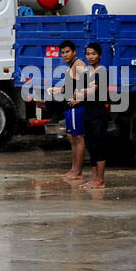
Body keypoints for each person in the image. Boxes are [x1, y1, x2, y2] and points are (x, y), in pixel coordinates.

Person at [50, 40, 89, 181]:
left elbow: (85, 83)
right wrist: (59, 90)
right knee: (72, 138)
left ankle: (78, 172)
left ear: (74, 52)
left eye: (68, 52)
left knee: (78, 138)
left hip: (75, 107)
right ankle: (74, 169)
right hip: (69, 106)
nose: (65, 55)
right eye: (63, 52)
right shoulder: (71, 65)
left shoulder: (78, 64)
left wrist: (78, 98)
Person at [79, 43, 110, 190]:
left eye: (93, 54)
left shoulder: (102, 71)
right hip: (88, 113)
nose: (90, 57)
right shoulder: (87, 72)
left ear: (100, 55)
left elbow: (92, 90)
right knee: (90, 145)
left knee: (99, 145)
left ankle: (101, 180)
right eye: (88, 54)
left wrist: (79, 92)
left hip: (99, 113)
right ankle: (94, 178)